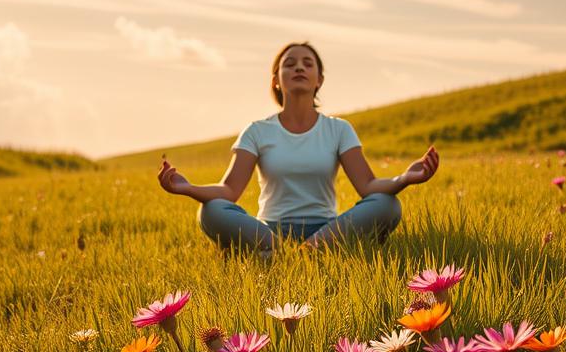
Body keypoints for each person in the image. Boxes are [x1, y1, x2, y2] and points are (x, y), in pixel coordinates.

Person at [156, 41, 440, 252]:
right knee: (211, 211)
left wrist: (404, 179)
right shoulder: (257, 131)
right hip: (269, 230)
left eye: (307, 63)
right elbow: (229, 191)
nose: (299, 67)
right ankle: (280, 249)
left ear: (319, 80)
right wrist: (188, 189)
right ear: (276, 80)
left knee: (387, 205)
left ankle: (309, 250)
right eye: (290, 64)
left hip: (327, 229)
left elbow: (368, 186)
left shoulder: (338, 129)